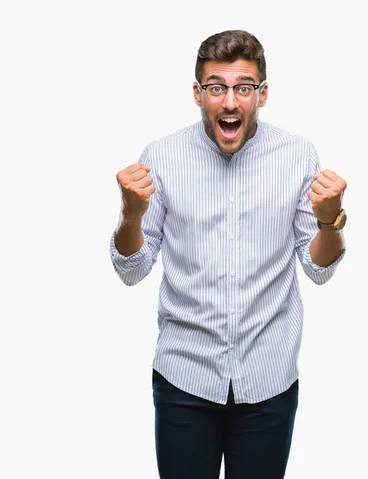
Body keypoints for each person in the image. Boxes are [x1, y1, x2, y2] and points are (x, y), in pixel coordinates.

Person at [110, 29, 347, 479]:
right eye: (217, 87)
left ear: (263, 94)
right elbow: (131, 269)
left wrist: (329, 220)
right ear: (198, 94)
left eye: (244, 88)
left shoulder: (297, 155)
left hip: (269, 382)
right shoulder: (162, 156)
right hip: (185, 379)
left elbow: (318, 267)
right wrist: (131, 215)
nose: (231, 102)